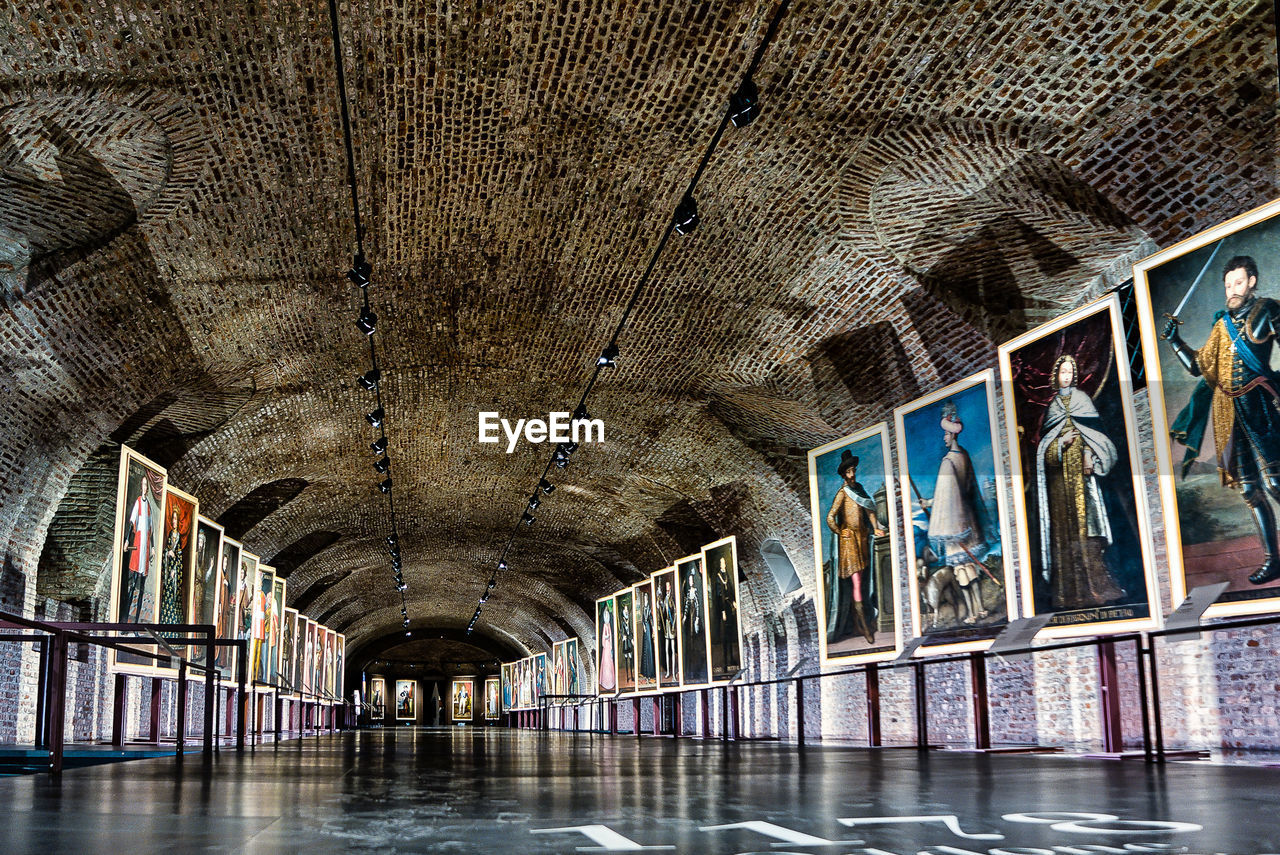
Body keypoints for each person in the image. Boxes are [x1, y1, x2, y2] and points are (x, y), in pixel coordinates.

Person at [1164, 254, 1280, 584]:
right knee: (1249, 488)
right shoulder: (1220, 326)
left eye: (1239, 282)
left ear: (1252, 281)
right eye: (1228, 284)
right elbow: (1196, 367)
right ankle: (1273, 560)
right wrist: (1174, 340)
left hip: (1260, 404)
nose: (1232, 288)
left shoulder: (1269, 310)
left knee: (1276, 483)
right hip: (1228, 412)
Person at [1035, 353, 1126, 609]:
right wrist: (1059, 445)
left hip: (1084, 479)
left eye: (1071, 371)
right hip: (1059, 488)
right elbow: (1044, 454)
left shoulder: (1083, 400)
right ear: (1056, 376)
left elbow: (1096, 435)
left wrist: (1088, 456)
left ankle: (1099, 588)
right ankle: (1067, 594)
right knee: (1064, 536)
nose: (1068, 376)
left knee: (1090, 531)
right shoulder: (1052, 408)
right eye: (1063, 372)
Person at [924, 401, 990, 624]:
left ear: (952, 435)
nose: (944, 438)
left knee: (962, 571)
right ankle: (981, 608)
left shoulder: (947, 462)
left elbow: (945, 500)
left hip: (954, 525)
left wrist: (928, 503)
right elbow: (965, 490)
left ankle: (972, 613)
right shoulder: (965, 456)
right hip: (969, 520)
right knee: (971, 566)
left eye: (945, 434)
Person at [825, 450, 886, 644]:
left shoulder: (859, 489)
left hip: (862, 540)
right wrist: (839, 531)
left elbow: (870, 509)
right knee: (858, 583)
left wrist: (875, 528)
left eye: (853, 470)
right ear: (844, 474)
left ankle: (863, 621)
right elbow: (830, 517)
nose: (852, 474)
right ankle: (864, 627)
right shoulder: (843, 493)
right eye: (849, 472)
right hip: (849, 544)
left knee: (866, 581)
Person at [121, 474, 154, 622]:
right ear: (141, 486)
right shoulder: (139, 502)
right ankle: (126, 621)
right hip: (138, 543)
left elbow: (151, 528)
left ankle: (136, 625)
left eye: (147, 485)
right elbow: (131, 521)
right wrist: (127, 540)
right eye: (144, 484)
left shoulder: (149, 507)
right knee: (133, 586)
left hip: (146, 546)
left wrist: (152, 547)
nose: (145, 487)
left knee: (141, 589)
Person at [710, 556, 738, 671]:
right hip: (722, 608)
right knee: (724, 634)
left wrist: (734, 601)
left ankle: (731, 657)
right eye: (722, 563)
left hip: (729, 605)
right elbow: (718, 595)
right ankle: (725, 660)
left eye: (724, 562)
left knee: (731, 633)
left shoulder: (727, 575)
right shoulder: (718, 577)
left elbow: (730, 589)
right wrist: (722, 611)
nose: (724, 564)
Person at [159, 507, 185, 625]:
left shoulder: (178, 536)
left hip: (174, 572)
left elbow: (179, 556)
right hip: (168, 569)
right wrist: (167, 553)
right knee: (167, 598)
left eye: (175, 519)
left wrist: (175, 567)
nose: (174, 521)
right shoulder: (170, 534)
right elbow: (166, 550)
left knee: (174, 600)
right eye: (172, 519)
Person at [657, 579, 677, 683]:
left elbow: (675, 612)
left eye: (668, 586)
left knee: (673, 650)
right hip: (666, 627)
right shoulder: (665, 599)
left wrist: (674, 625)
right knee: (666, 650)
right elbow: (663, 612)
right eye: (666, 586)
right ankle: (668, 671)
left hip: (672, 626)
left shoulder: (672, 599)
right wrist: (659, 605)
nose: (667, 588)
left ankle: (674, 673)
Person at [638, 592, 656, 684]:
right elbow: (642, 619)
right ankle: (644, 671)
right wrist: (643, 625)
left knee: (649, 648)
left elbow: (651, 619)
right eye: (644, 597)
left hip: (648, 628)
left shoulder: (648, 608)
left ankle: (650, 671)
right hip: (645, 628)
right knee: (644, 648)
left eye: (646, 598)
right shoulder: (643, 607)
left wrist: (652, 628)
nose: (645, 599)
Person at [598, 604, 616, 691]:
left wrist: (611, 643)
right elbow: (603, 636)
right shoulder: (605, 625)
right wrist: (607, 637)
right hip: (606, 645)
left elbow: (610, 636)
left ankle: (611, 681)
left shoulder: (608, 625)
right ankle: (606, 681)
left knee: (610, 662)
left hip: (609, 645)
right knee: (606, 663)